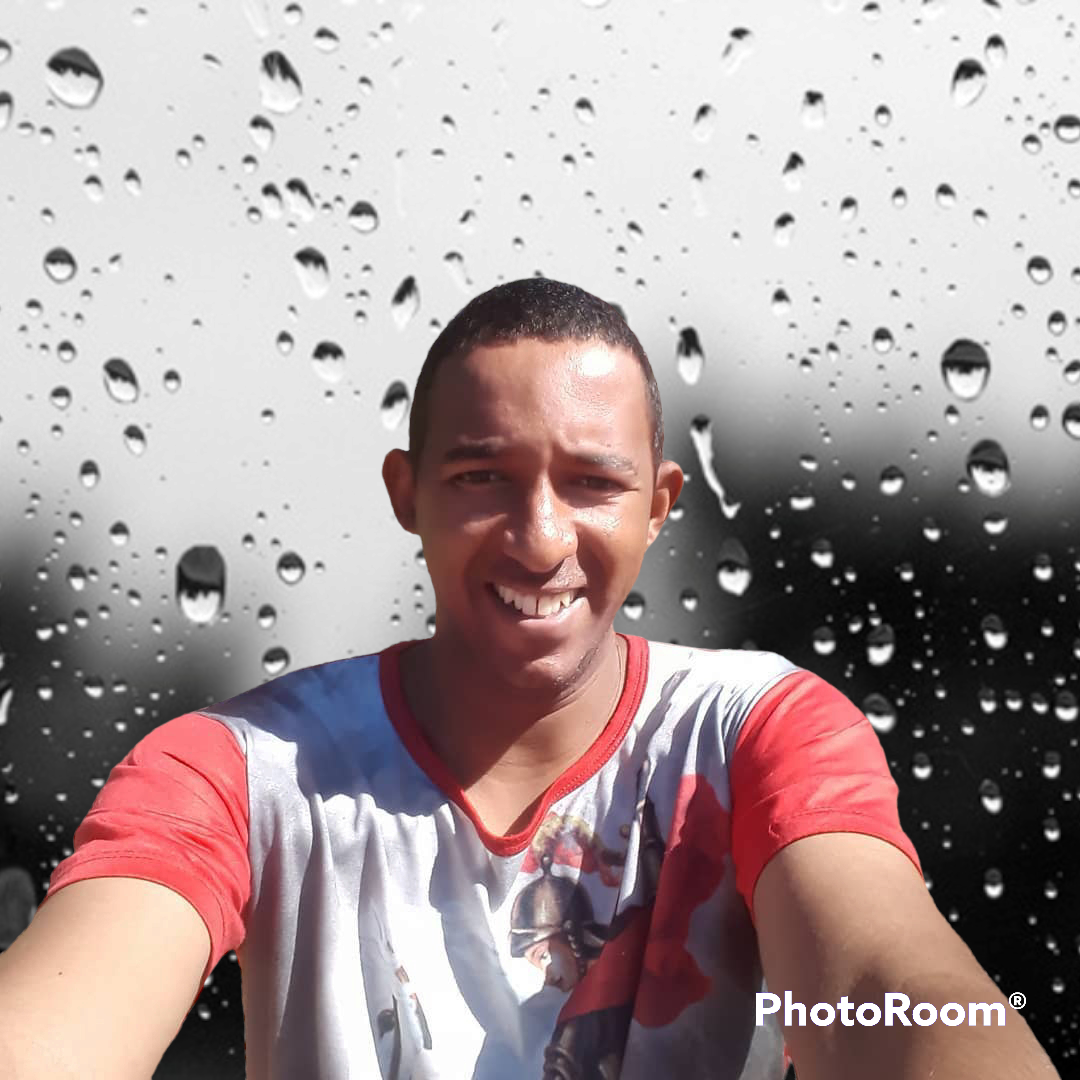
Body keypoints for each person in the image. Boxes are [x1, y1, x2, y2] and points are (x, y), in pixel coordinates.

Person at [0, 278, 1060, 1079]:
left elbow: (886, 986)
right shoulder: (237, 770)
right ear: (407, 495)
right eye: (482, 478)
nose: (540, 539)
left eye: (594, 483)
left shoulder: (757, 731)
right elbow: (63, 1024)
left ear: (660, 504)